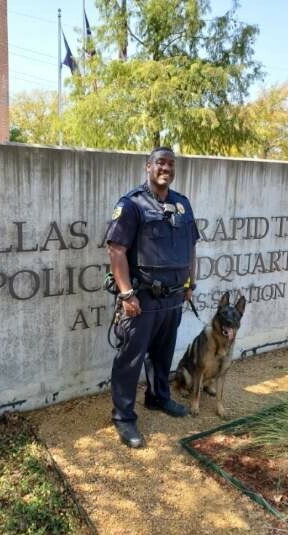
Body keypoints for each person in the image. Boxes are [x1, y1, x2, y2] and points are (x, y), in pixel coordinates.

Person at [106, 146, 200, 448]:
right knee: (130, 360)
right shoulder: (132, 204)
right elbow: (116, 250)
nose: (166, 168)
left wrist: (190, 284)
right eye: (160, 162)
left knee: (163, 354)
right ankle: (123, 417)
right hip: (141, 301)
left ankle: (158, 397)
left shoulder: (182, 205)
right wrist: (126, 294)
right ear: (149, 167)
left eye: (171, 164)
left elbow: (191, 247)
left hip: (173, 299)